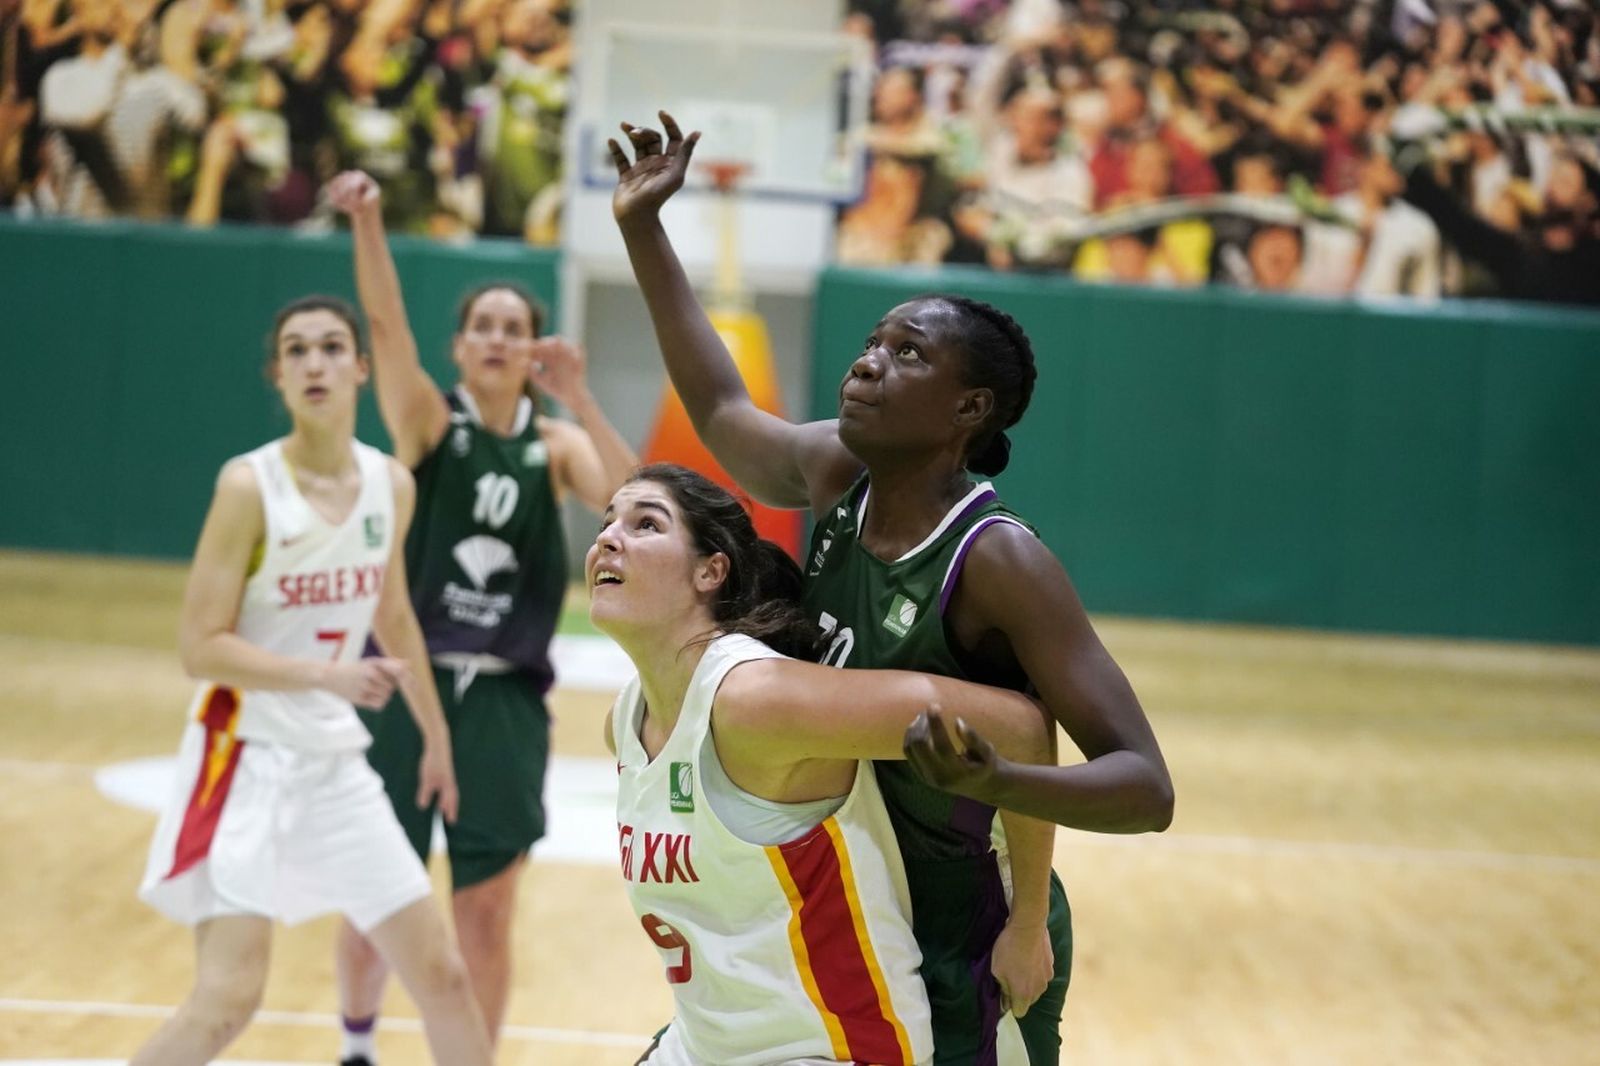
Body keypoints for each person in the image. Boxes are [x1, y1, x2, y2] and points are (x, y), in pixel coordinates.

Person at [610, 112, 1174, 1065]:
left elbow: (1145, 786)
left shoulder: (999, 561)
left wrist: (1009, 819)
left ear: (969, 409)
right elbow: (719, 406)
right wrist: (644, 232)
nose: (869, 361)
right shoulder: (839, 472)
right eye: (873, 342)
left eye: (909, 353)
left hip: (976, 925)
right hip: (864, 903)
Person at [594, 463, 1057, 1066]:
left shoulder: (753, 702)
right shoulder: (626, 719)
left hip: (832, 1049)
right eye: (607, 522)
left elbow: (1019, 730)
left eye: (645, 524)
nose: (607, 537)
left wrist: (1028, 923)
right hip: (705, 1047)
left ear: (710, 572)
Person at [324, 168, 636, 1062]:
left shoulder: (556, 441)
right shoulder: (428, 423)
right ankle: (355, 1046)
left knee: (486, 911)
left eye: (515, 327)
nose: (499, 338)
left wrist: (579, 396)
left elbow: (639, 503)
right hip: (400, 688)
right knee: (379, 895)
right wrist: (372, 219)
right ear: (460, 348)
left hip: (503, 703)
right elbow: (383, 326)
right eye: (483, 327)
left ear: (534, 348)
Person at [131, 296, 493, 1066]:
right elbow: (200, 648)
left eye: (332, 347)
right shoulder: (247, 486)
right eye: (296, 352)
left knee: (442, 975)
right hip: (244, 758)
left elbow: (392, 614)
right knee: (228, 1000)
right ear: (280, 376)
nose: (315, 363)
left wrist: (435, 736)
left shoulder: (389, 483)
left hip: (334, 766)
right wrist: (326, 675)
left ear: (360, 367)